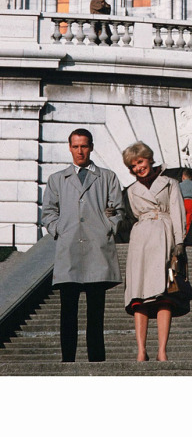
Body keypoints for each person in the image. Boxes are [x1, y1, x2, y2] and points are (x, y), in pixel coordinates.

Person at [41, 128, 124, 362]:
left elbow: (119, 209)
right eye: (76, 146)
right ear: (69, 147)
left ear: (91, 147)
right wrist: (59, 229)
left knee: (96, 312)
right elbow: (48, 212)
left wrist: (108, 225)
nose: (80, 151)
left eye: (84, 146)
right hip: (69, 249)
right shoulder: (57, 179)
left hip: (97, 248)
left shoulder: (108, 177)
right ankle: (68, 360)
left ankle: (96, 361)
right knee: (68, 310)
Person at [122, 141, 187, 362]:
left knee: (164, 296)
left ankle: (162, 350)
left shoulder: (169, 183)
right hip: (141, 240)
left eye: (140, 161)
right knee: (138, 295)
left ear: (149, 158)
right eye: (133, 166)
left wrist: (180, 242)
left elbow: (178, 212)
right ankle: (141, 350)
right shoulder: (131, 191)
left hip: (165, 235)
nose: (138, 168)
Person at [179, 167, 192, 234]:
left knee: (181, 217)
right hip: (191, 202)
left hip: (182, 201)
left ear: (183, 176)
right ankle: (188, 232)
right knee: (189, 218)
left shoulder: (179, 185)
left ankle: (181, 232)